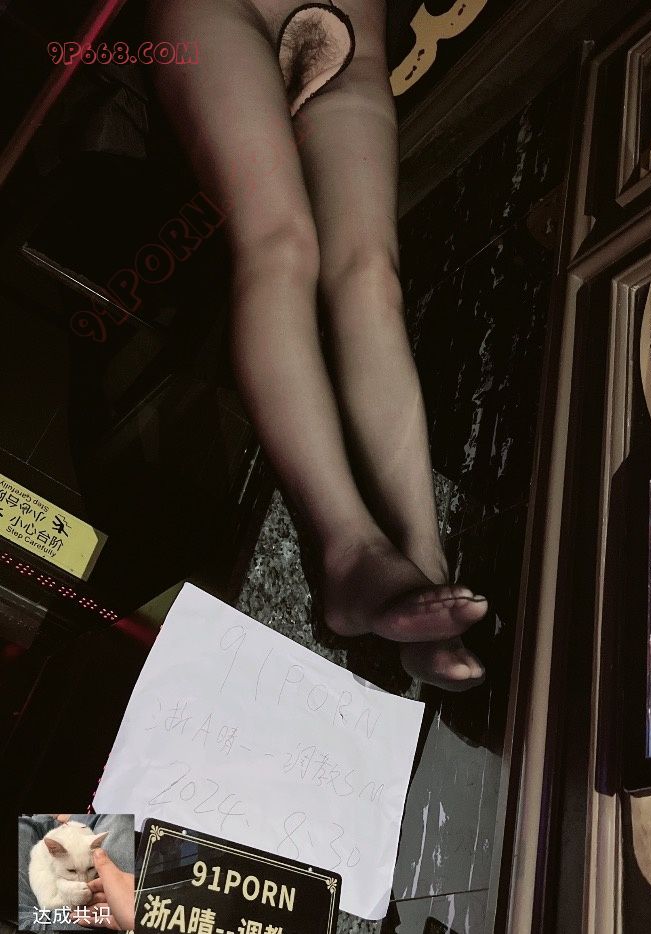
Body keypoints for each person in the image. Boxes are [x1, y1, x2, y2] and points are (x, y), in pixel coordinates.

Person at [146, 0, 488, 690]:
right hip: (217, 11)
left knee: (371, 277)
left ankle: (424, 565)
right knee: (280, 246)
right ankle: (348, 556)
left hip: (348, 21)